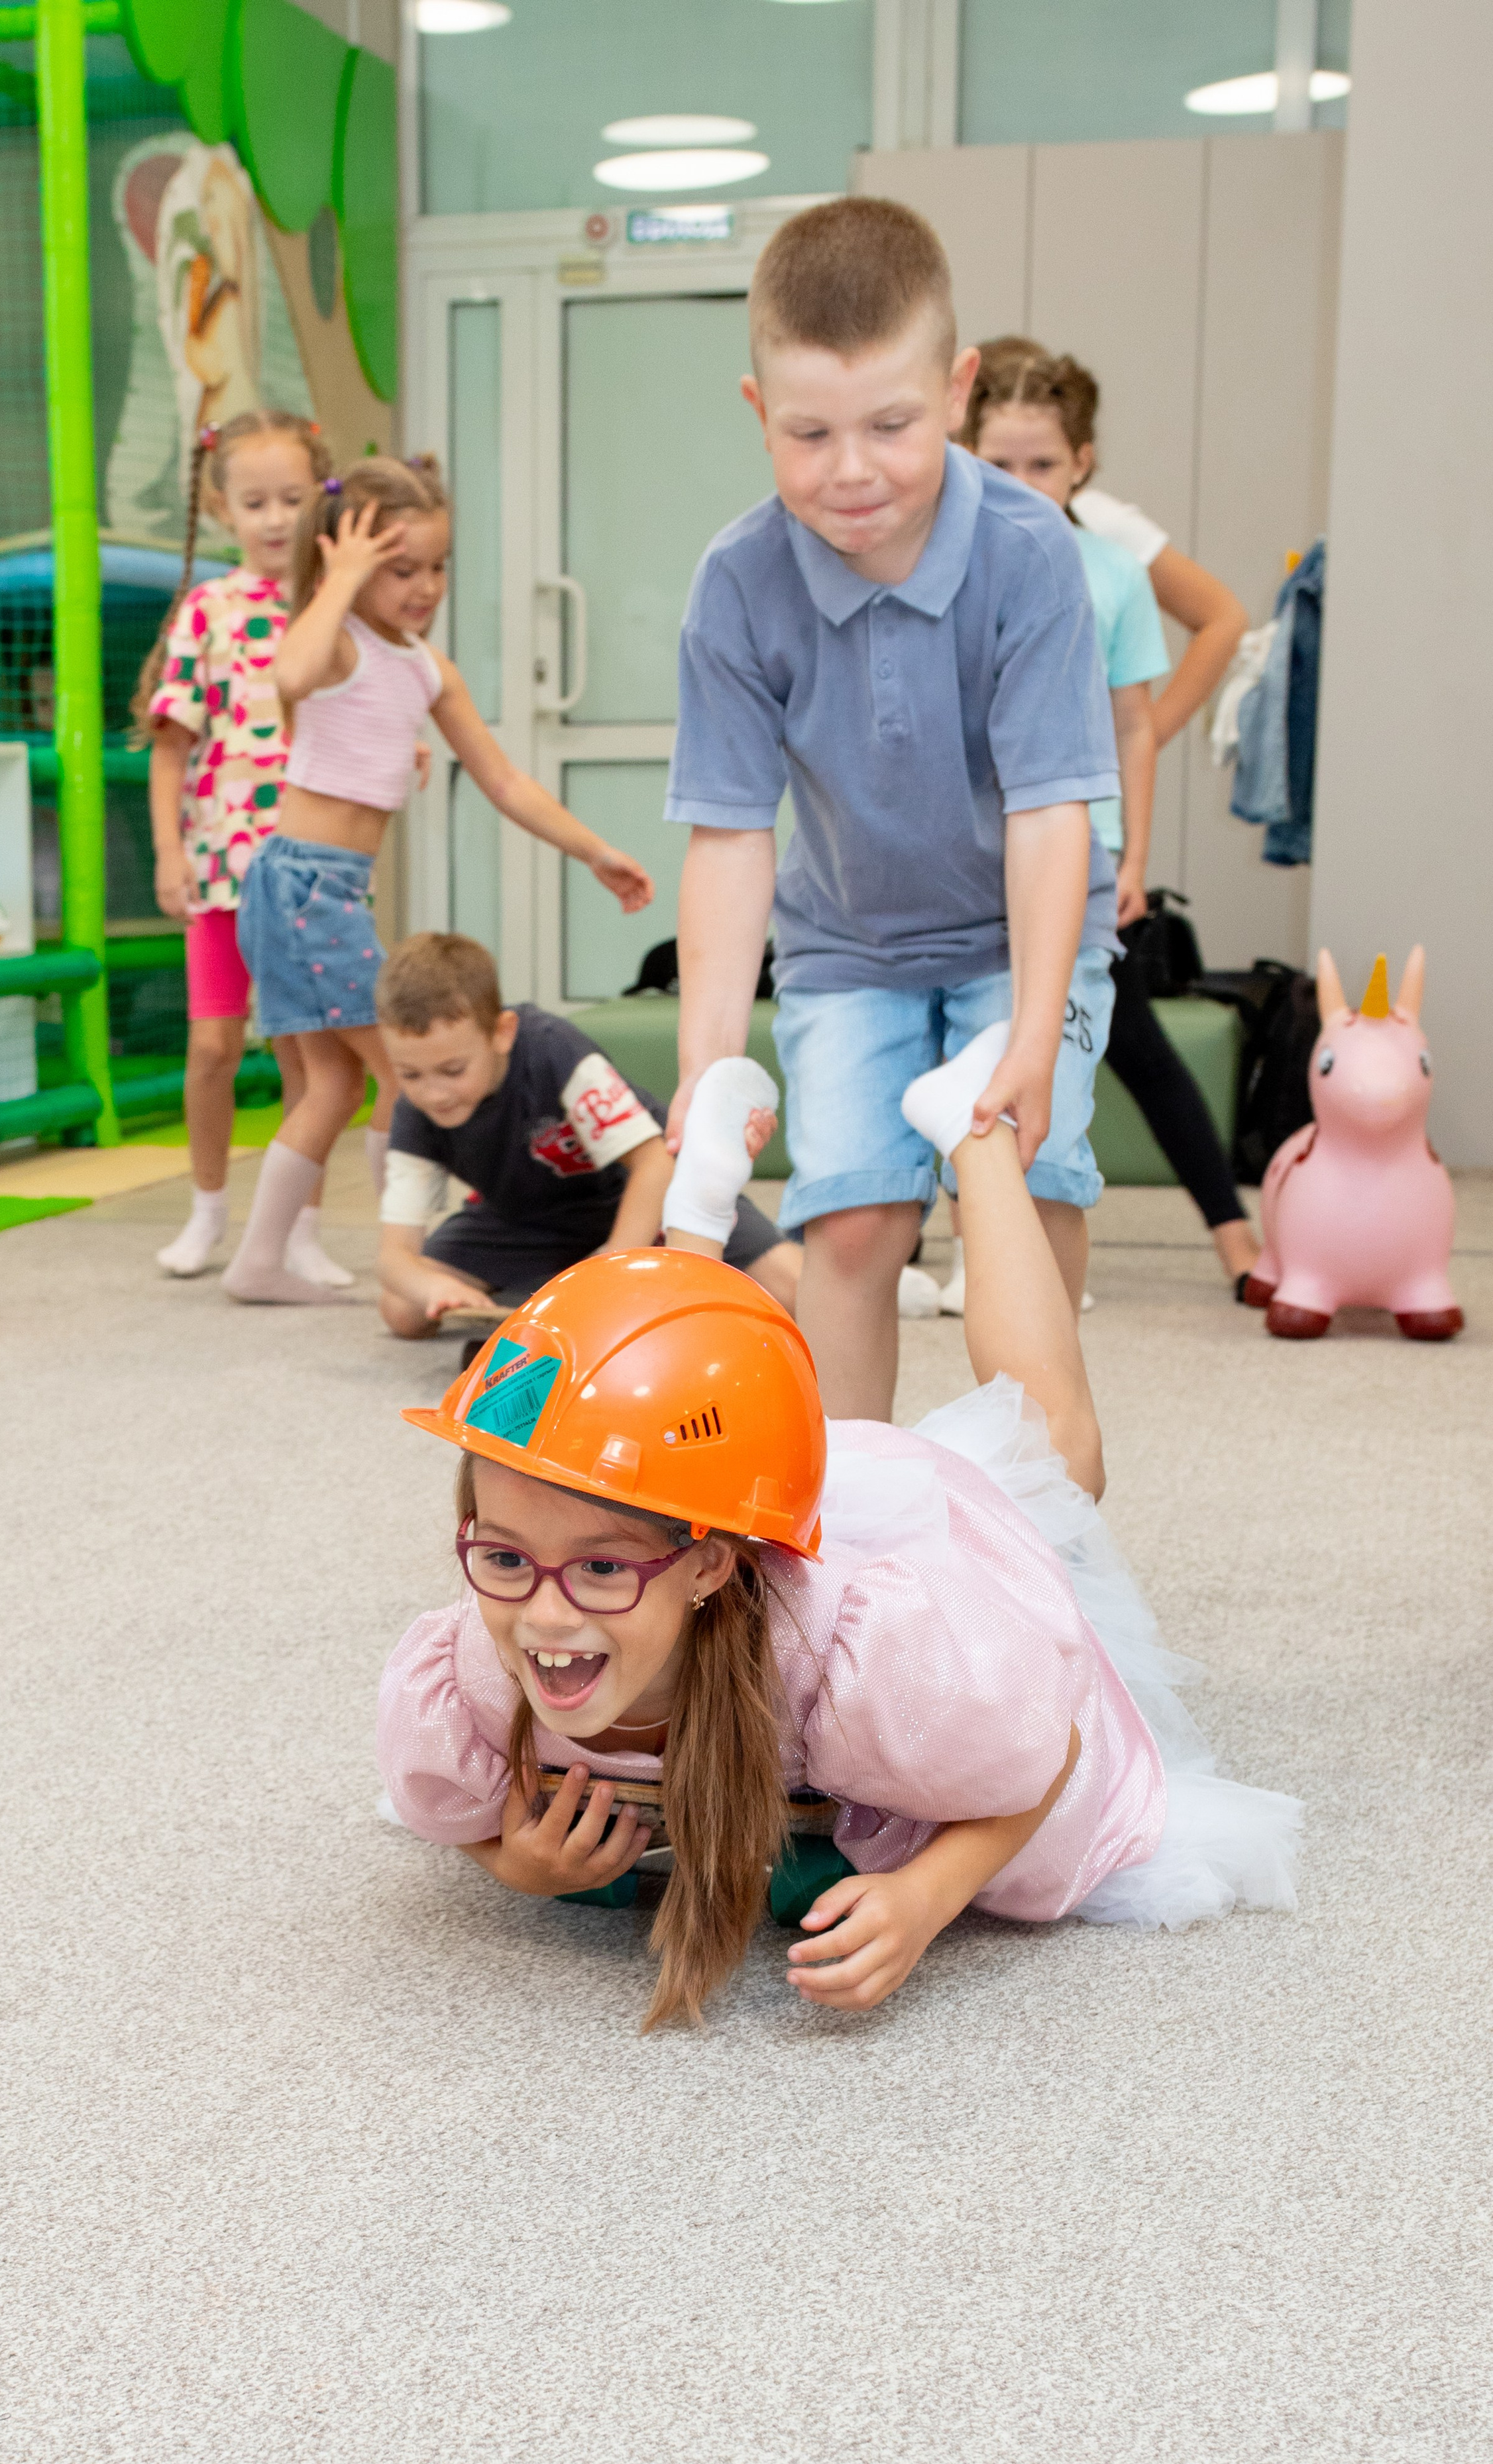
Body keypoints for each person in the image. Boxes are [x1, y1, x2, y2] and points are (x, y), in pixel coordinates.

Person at [377, 1044, 1299, 2030]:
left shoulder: (877, 1657)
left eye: (601, 1569)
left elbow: (1052, 1746)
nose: (541, 1615)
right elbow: (450, 1802)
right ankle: (696, 1217)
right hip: (727, 1487)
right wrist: (516, 1863)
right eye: (503, 1557)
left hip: (895, 1531)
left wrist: (927, 1894)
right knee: (643, 1442)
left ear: (707, 1570)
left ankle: (974, 1137)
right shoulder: (481, 1660)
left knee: (1056, 1447)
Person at [665, 197, 1121, 1423]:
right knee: (853, 1223)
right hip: (850, 947)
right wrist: (705, 1059)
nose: (851, 469)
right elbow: (729, 832)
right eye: (809, 433)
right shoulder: (738, 583)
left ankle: (1036, 1509)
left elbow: (1049, 810)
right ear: (761, 414)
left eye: (892, 425)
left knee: (1022, 1198)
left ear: (959, 390)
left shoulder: (1030, 556)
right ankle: (848, 1517)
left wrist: (1033, 1028)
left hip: (1019, 941)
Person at [221, 457, 655, 1305]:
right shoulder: (338, 639)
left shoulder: (422, 664)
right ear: (346, 562)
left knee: (338, 1082)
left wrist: (592, 850)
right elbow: (290, 674)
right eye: (401, 569)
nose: (425, 587)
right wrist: (340, 581)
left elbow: (505, 782)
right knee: (401, 1069)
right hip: (303, 887)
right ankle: (387, 1247)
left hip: (326, 889)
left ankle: (267, 1256)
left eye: (437, 567)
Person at [961, 341, 1261, 1293]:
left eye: (1042, 464)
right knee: (981, 1037)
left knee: (1105, 1038)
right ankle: (988, 1239)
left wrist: (1128, 848)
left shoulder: (1111, 571)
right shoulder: (947, 557)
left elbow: (1133, 722)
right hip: (976, 844)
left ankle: (1213, 1233)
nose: (1021, 483)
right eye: (998, 464)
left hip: (1082, 847)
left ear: (1082, 461)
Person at [134, 409, 354, 1287]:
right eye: (254, 501)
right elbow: (171, 744)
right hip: (224, 870)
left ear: (320, 501)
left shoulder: (330, 603)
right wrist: (168, 852)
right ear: (223, 509)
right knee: (214, 1048)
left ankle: (300, 1229)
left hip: (308, 870)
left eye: (292, 500)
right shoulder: (209, 609)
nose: (273, 519)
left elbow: (358, 713)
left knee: (309, 1055)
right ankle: (207, 1211)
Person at [374, 933, 801, 1336]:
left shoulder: (552, 1049)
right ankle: (562, 1287)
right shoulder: (415, 1110)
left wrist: (611, 1263)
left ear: (502, 1034)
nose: (433, 1093)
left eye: (453, 1070)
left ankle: (601, 1281)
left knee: (794, 1289)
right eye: (409, 1074)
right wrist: (432, 1290)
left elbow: (655, 1163)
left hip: (638, 1200)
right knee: (403, 1311)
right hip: (524, 1219)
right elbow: (395, 1257)